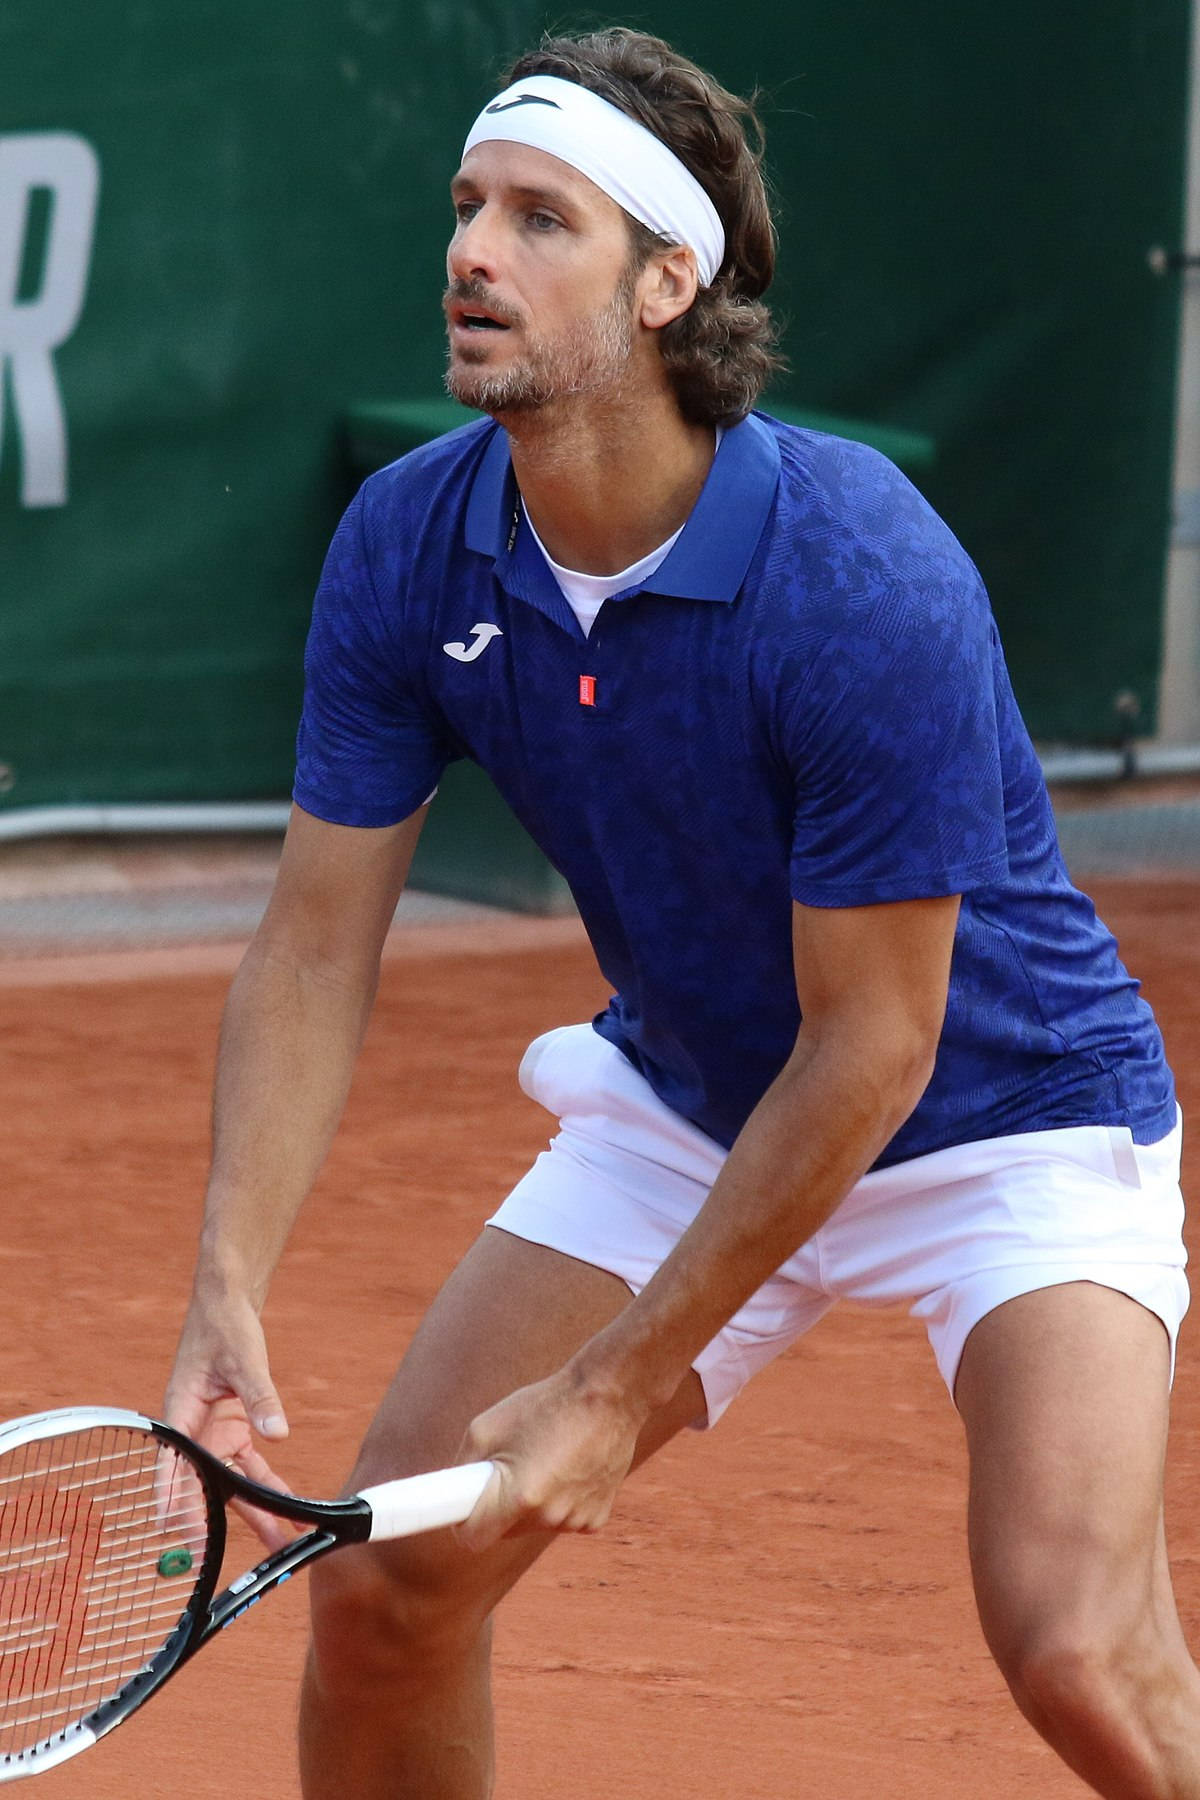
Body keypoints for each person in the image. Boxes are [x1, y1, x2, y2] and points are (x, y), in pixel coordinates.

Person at [163, 26, 1198, 1800]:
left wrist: (620, 1385)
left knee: (1076, 1648)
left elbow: (878, 1045)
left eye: (538, 219)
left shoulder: (860, 573)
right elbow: (317, 941)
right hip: (696, 1094)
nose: (470, 251)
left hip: (1004, 1125)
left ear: (665, 284)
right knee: (397, 1590)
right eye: (467, 207)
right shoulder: (412, 543)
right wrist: (225, 1277)